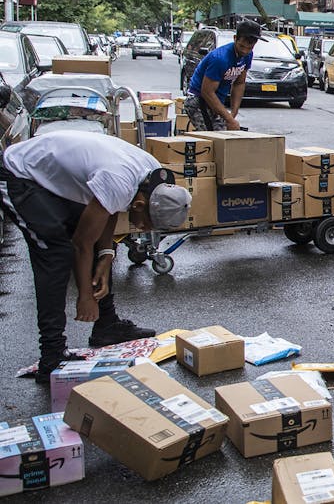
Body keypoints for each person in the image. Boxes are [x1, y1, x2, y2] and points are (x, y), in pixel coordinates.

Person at [0, 131, 193, 379]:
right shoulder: (121, 181)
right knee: (55, 253)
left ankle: (107, 325)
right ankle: (52, 353)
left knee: (96, 247)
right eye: (146, 224)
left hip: (55, 178)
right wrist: (85, 296)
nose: (144, 229)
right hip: (19, 174)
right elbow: (82, 243)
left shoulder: (153, 179)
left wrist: (106, 255)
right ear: (140, 206)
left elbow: (109, 209)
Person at [185, 19, 264, 131]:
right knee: (214, 138)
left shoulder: (247, 55)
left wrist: (233, 112)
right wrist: (229, 119)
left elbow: (239, 83)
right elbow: (207, 92)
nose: (245, 51)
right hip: (199, 100)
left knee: (224, 135)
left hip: (217, 100)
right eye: (242, 46)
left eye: (249, 48)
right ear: (235, 39)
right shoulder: (220, 58)